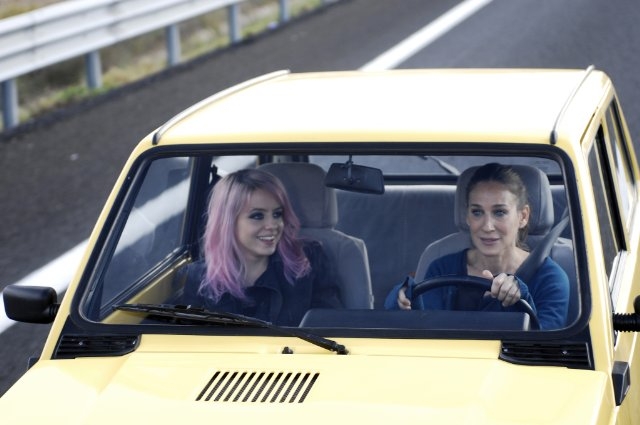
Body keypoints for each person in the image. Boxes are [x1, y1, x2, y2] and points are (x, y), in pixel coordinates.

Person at [384, 163, 569, 330]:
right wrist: (403, 299)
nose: (487, 226)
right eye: (477, 212)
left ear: (523, 216)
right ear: (467, 216)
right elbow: (424, 330)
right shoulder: (442, 268)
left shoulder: (550, 278)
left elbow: (543, 349)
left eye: (500, 212)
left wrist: (520, 300)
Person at [182, 169, 342, 326]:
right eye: (257, 216)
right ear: (228, 223)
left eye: (277, 214)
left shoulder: (308, 258)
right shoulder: (200, 277)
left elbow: (331, 326)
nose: (273, 225)